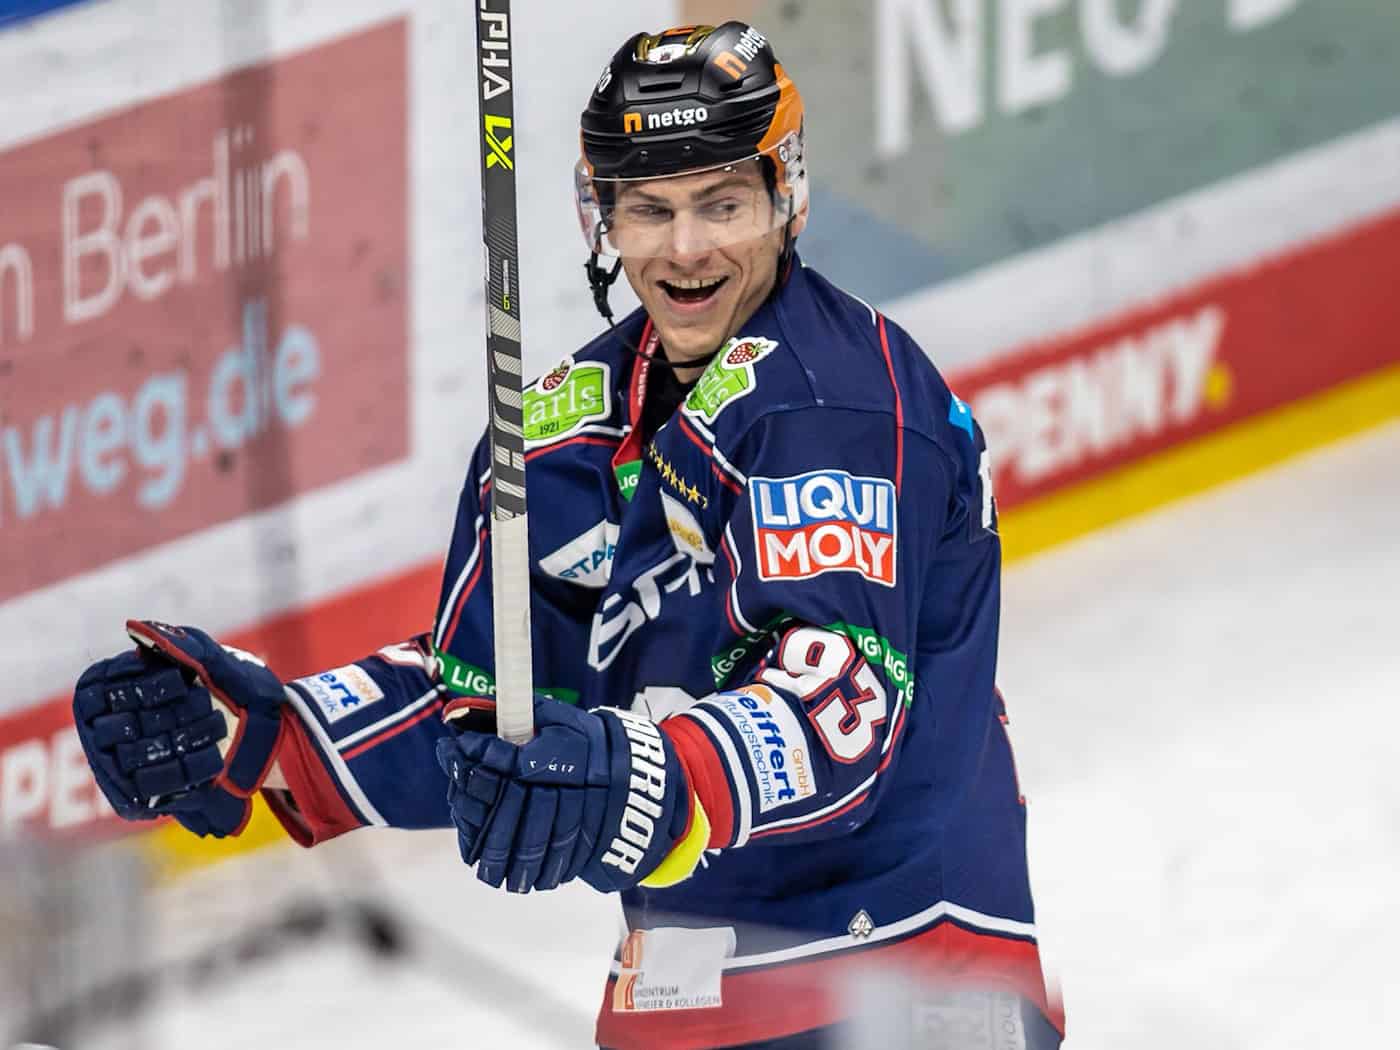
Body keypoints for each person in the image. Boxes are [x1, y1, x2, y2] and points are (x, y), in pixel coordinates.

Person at [71, 22, 1064, 1050]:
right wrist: (268, 736)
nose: (685, 249)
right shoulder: (556, 439)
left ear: (786, 197)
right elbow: (493, 705)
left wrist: (646, 775)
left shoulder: (836, 403)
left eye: (721, 204)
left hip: (911, 979)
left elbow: (835, 705)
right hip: (682, 997)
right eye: (650, 211)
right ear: (602, 219)